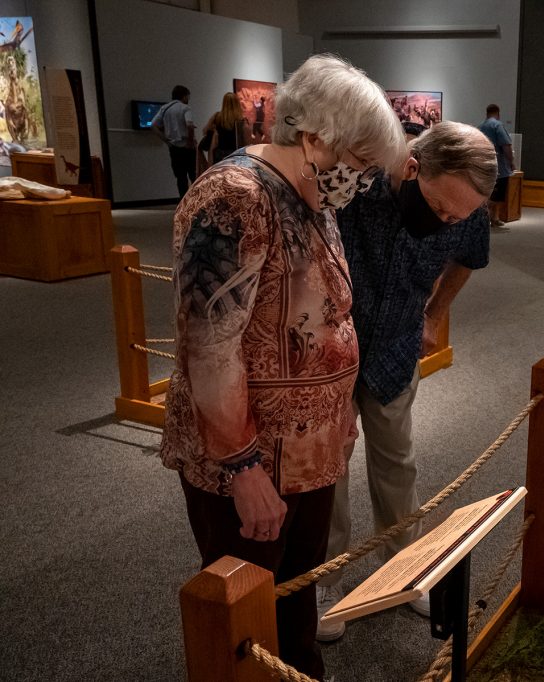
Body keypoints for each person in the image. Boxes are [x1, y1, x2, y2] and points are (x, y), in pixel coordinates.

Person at [158, 55, 406, 678]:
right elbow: (208, 347)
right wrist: (242, 467)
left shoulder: (313, 197)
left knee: (295, 606)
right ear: (316, 136)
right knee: (248, 618)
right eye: (362, 161)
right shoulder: (233, 199)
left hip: (308, 459)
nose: (366, 179)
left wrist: (338, 420)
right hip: (250, 466)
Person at [315, 120, 497, 642]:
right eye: (440, 208)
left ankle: (405, 566)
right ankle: (325, 580)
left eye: (457, 215)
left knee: (398, 459)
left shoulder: (466, 207)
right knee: (330, 467)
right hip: (332, 346)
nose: (447, 221)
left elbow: (470, 257)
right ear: (413, 167)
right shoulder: (357, 183)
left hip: (396, 346)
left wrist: (436, 312)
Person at [152, 85, 197, 198]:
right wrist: (190, 142)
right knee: (194, 175)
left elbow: (153, 125)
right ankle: (196, 200)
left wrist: (166, 140)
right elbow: (190, 125)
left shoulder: (165, 108)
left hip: (174, 147)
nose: (188, 99)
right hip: (187, 146)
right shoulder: (185, 108)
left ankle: (183, 202)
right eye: (188, 96)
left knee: (180, 177)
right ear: (184, 96)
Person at [478, 104, 516, 229]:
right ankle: (484, 217)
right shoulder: (497, 125)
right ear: (498, 113)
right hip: (498, 167)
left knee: (487, 193)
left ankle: (494, 218)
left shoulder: (481, 127)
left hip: (484, 166)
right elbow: (506, 145)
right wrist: (511, 161)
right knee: (497, 195)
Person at [201, 92, 251, 166]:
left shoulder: (216, 116)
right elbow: (247, 141)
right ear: (237, 103)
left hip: (219, 155)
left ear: (224, 103)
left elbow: (205, 131)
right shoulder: (242, 120)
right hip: (236, 155)